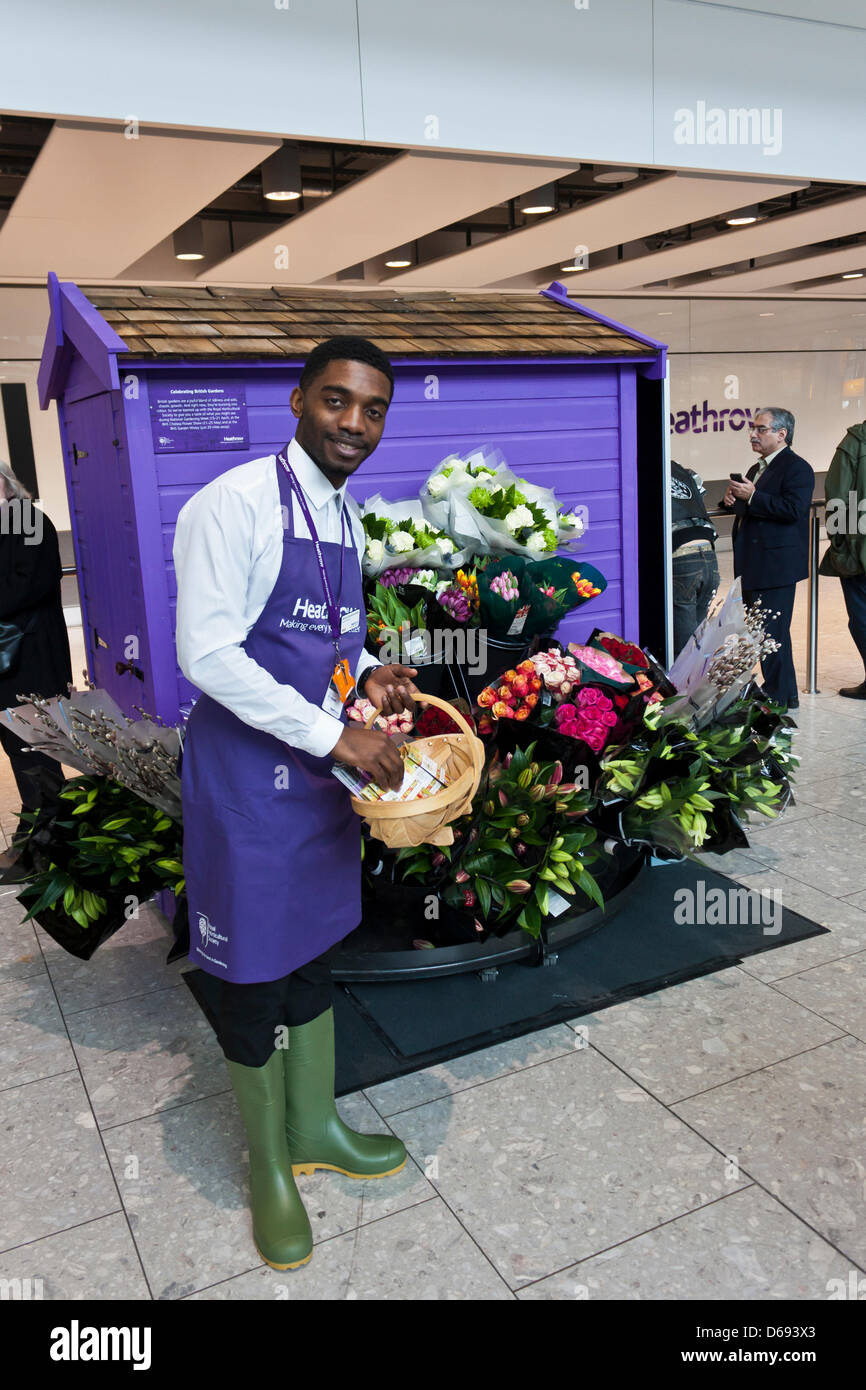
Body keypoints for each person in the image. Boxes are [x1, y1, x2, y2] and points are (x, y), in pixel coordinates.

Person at [173, 337, 420, 1273]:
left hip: (317, 786)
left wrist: (367, 681)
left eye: (373, 409)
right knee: (251, 974)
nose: (355, 424)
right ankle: (268, 1167)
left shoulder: (344, 515)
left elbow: (316, 654)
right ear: (297, 401)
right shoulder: (232, 505)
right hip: (247, 787)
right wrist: (334, 738)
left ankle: (314, 1123)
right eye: (336, 401)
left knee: (314, 952)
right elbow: (208, 655)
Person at [723, 407, 814, 709]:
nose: (753, 434)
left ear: (781, 434)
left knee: (770, 633)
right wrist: (732, 501)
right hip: (754, 563)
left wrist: (754, 497)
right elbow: (752, 510)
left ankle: (778, 695)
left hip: (776, 567)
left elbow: (793, 510)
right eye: (753, 428)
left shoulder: (797, 468)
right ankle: (783, 693)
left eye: (761, 429)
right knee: (763, 634)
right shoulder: (756, 469)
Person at [0, 460, 71, 830]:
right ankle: (41, 837)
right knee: (19, 747)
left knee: (34, 749)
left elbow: (27, 585)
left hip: (30, 659)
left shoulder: (21, 516)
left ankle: (51, 844)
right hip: (11, 662)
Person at [819, 419, 866, 698]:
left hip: (861, 550)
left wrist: (840, 543)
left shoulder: (856, 440)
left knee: (861, 616)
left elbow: (838, 497)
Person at [670, 458, 720, 656]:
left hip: (681, 556)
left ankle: (685, 686)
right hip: (708, 552)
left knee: (684, 650)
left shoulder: (640, 468)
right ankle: (699, 683)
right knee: (698, 639)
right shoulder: (683, 470)